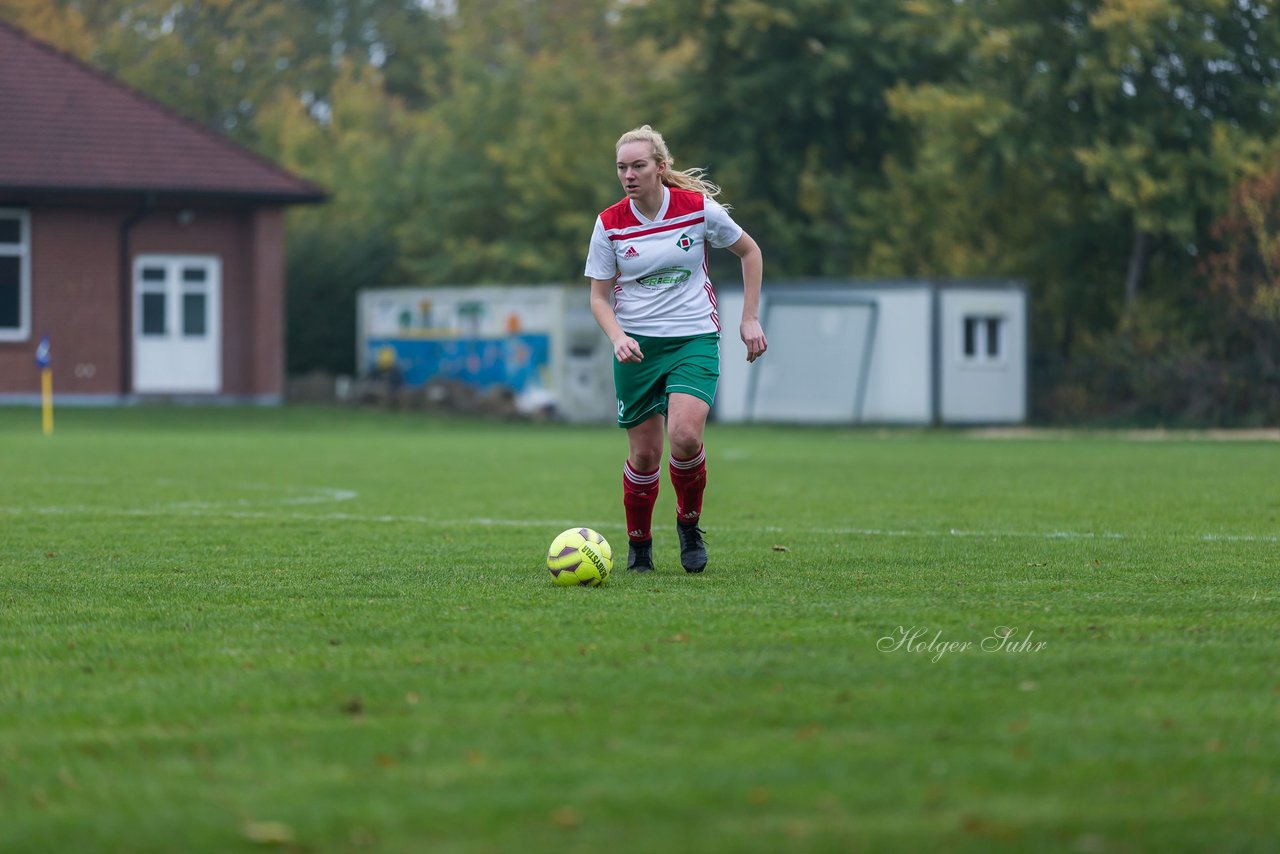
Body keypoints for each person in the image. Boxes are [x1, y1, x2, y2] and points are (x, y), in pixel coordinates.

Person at [584, 125, 767, 574]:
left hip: (693, 338)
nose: (629, 175)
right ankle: (640, 546)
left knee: (685, 437)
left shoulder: (696, 209)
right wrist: (618, 337)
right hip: (637, 348)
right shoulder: (610, 223)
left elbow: (750, 252)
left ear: (660, 168)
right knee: (644, 455)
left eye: (638, 165)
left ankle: (689, 526)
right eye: (622, 167)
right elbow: (598, 298)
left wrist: (748, 318)